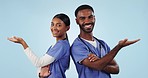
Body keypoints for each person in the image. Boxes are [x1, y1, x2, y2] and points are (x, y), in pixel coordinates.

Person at [70, 4, 140, 78]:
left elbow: (116, 69)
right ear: (77, 21)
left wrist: (100, 61)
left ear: (94, 18)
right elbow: (97, 66)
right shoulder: (77, 46)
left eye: (90, 17)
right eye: (82, 18)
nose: (87, 21)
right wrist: (118, 47)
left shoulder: (102, 44)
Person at [8, 13, 70, 78]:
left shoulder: (61, 45)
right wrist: (40, 75)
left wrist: (23, 43)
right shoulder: (55, 46)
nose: (54, 28)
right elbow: (41, 67)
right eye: (52, 24)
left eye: (59, 25)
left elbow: (38, 63)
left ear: (67, 28)